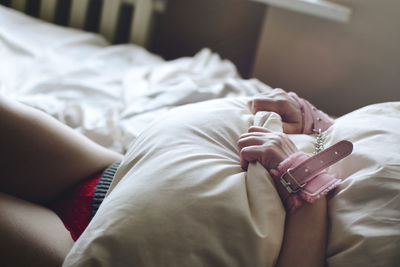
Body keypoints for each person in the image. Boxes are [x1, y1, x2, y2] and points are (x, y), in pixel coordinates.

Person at [0, 89, 340, 267]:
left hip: (82, 244)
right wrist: (308, 121)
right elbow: (335, 133)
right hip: (116, 175)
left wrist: (305, 182)